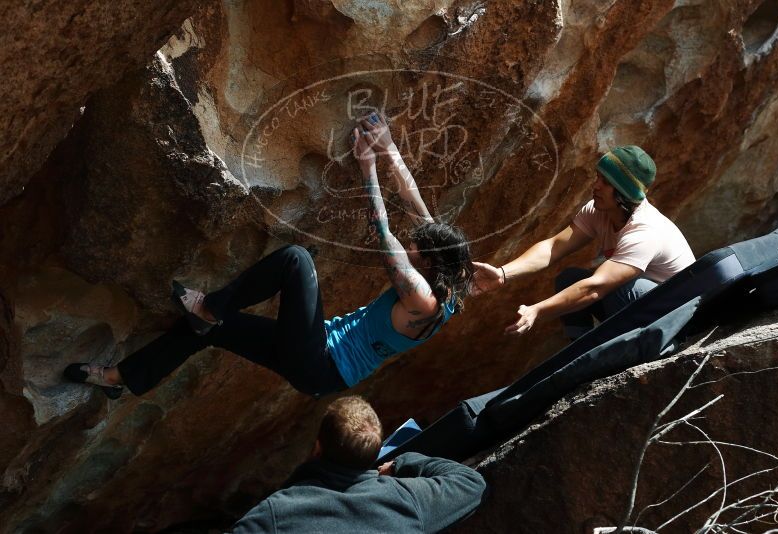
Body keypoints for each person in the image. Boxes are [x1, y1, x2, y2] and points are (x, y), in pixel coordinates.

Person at [64, 112, 474, 399]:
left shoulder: (421, 296)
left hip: (321, 363)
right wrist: (389, 147)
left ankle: (211, 307)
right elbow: (412, 199)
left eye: (416, 250)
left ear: (429, 263)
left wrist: (367, 167)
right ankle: (121, 377)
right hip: (315, 353)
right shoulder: (448, 276)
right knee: (212, 332)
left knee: (296, 260)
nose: (412, 246)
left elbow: (382, 228)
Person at [472, 145, 695, 340]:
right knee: (569, 278)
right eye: (598, 177)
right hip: (644, 307)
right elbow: (554, 247)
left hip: (678, 318)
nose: (595, 185)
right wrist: (503, 273)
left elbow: (595, 288)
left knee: (619, 289)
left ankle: (627, 350)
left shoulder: (645, 231)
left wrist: (537, 310)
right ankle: (580, 348)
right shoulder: (599, 210)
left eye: (605, 182)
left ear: (623, 193)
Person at [230, 396, 486, 534]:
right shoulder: (406, 500)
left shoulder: (278, 512)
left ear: (318, 447)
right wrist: (402, 462)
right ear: (375, 455)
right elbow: (471, 483)